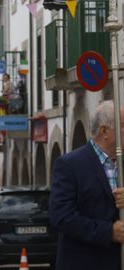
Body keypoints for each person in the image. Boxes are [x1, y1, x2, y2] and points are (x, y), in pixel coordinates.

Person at [50, 100, 124, 270]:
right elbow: (61, 216)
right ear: (105, 131)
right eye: (123, 126)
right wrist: (109, 232)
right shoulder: (69, 165)